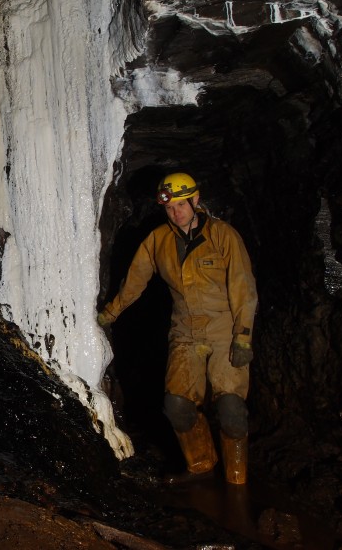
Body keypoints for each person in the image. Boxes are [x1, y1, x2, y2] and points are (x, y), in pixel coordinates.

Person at [97, 172, 257, 485]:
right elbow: (135, 280)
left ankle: (237, 480)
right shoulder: (158, 241)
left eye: (181, 206)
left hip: (224, 328)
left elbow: (243, 287)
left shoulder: (223, 235)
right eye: (170, 209)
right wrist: (110, 313)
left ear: (195, 201)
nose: (176, 213)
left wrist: (243, 336)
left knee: (231, 409)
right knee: (177, 406)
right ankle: (201, 464)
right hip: (185, 330)